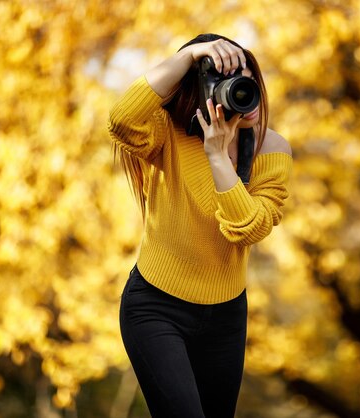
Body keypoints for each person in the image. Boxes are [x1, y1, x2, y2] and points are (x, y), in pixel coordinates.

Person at [108, 33, 292, 418]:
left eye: (247, 75)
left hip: (226, 318)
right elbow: (121, 120)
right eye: (225, 79)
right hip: (156, 307)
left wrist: (219, 159)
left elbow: (249, 228)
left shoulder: (271, 149)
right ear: (199, 91)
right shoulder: (166, 134)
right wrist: (191, 56)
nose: (244, 87)